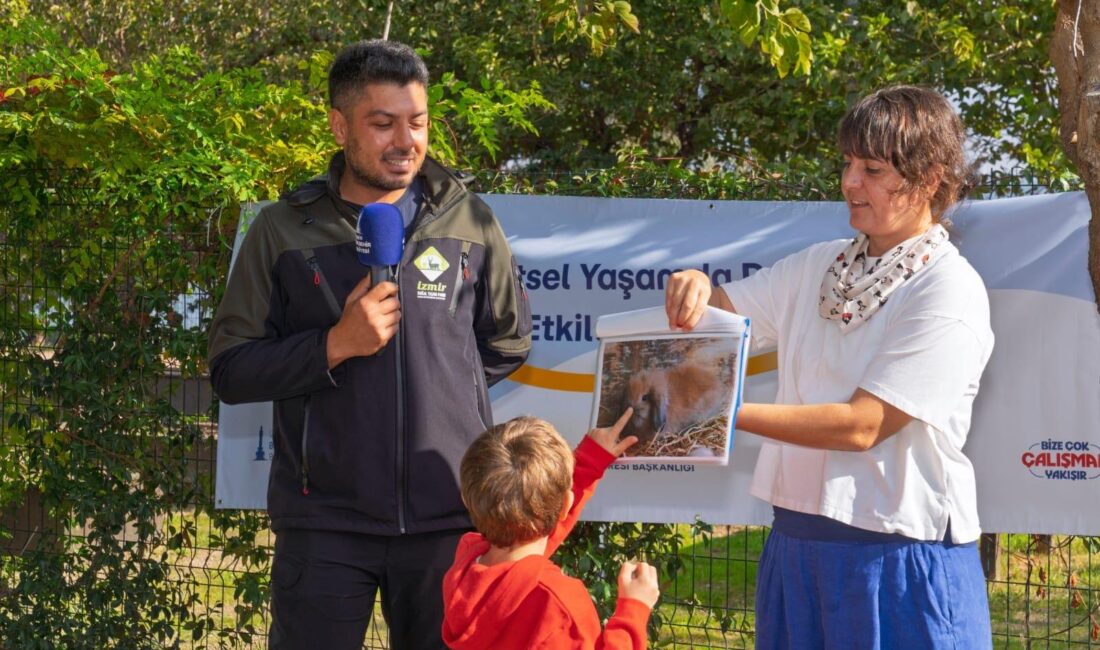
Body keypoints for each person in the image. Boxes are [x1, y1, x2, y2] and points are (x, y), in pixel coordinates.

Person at [207, 39, 532, 650]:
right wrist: (333, 346)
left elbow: (507, 342)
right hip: (324, 523)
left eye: (418, 122)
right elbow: (231, 369)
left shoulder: (472, 221)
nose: (405, 141)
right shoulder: (282, 229)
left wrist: (439, 389)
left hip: (450, 520)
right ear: (340, 125)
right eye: (382, 124)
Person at [665, 86, 994, 649]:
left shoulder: (948, 287)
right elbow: (722, 313)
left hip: (899, 557)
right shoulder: (820, 264)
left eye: (871, 168)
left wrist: (721, 413)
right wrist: (694, 288)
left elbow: (862, 425)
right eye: (847, 163)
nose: (849, 182)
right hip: (796, 542)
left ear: (931, 178)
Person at [441, 410, 659, 649]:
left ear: (465, 498)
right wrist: (634, 610)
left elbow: (527, 541)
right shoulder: (557, 603)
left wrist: (591, 460)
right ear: (567, 503)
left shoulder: (467, 566)